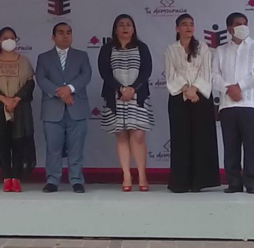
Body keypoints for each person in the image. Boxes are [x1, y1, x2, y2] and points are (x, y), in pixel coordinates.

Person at [98, 14, 153, 192]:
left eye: (129, 24)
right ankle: (126, 176)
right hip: (116, 97)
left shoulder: (142, 47)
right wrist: (121, 89)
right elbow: (104, 73)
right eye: (121, 25)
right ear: (115, 30)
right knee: (121, 135)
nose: (125, 28)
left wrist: (132, 89)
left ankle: (142, 175)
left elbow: (147, 71)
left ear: (134, 29)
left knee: (138, 135)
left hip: (137, 96)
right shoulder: (107, 48)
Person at [165, 14, 220, 193]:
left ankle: (200, 182)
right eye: (184, 24)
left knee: (201, 139)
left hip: (200, 96)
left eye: (191, 24)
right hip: (179, 97)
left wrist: (194, 89)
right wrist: (186, 90)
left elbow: (206, 72)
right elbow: (170, 74)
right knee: (180, 140)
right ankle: (180, 182)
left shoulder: (202, 47)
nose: (188, 28)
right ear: (177, 28)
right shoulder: (170, 50)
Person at [36, 23, 92, 194]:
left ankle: (76, 180)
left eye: (68, 32)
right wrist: (60, 93)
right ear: (53, 37)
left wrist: (70, 89)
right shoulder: (44, 57)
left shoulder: (81, 56)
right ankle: (53, 180)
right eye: (61, 33)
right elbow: (41, 79)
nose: (65, 36)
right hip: (52, 109)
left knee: (76, 148)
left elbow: (86, 75)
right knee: (53, 148)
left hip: (76, 108)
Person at [0, 27, 36, 193]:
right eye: (5, 38)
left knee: (19, 144)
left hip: (20, 108)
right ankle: (6, 178)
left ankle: (16, 178)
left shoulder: (24, 61)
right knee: (3, 144)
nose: (9, 40)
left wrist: (16, 99)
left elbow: (30, 84)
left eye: (12, 37)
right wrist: (5, 100)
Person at [212, 12, 254, 194]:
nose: (243, 26)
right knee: (230, 146)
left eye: (245, 23)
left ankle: (251, 182)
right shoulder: (220, 50)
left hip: (249, 104)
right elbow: (214, 76)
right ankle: (234, 183)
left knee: (251, 145)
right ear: (229, 28)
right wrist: (228, 89)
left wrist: (240, 87)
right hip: (227, 105)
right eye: (238, 24)